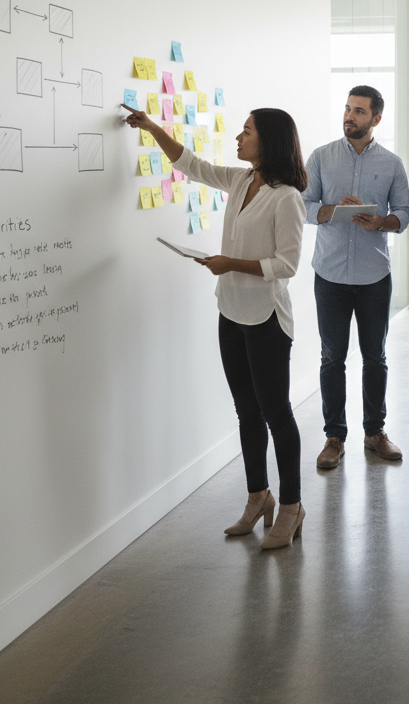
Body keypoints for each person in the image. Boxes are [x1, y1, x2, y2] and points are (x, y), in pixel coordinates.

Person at [122, 103, 308, 550]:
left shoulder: (287, 197)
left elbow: (287, 264)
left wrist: (230, 264)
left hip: (265, 321)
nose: (239, 138)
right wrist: (151, 128)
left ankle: (291, 506)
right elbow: (193, 165)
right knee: (247, 413)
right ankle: (258, 495)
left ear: (269, 140)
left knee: (276, 414)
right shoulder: (242, 179)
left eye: (246, 132)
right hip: (231, 314)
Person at [303, 85, 409, 469]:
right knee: (332, 358)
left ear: (376, 118)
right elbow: (304, 206)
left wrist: (382, 221)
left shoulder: (393, 164)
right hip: (330, 273)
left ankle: (375, 432)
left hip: (373, 275)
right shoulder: (320, 157)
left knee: (375, 358)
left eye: (359, 111)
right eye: (348, 109)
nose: (350, 116)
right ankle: (334, 436)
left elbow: (404, 213)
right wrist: (333, 210)